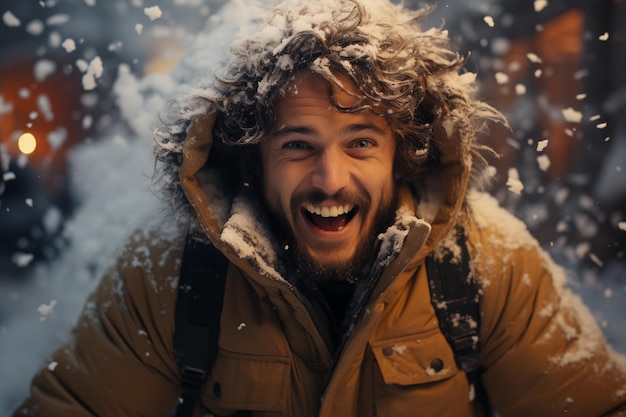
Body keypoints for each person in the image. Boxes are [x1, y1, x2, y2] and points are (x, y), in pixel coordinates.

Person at [12, 0, 626, 416]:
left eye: (361, 142)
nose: (330, 180)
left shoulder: (489, 261)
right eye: (298, 145)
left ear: (403, 154)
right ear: (254, 159)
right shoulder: (169, 270)